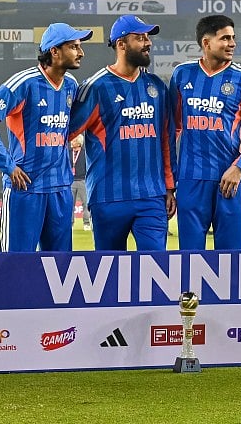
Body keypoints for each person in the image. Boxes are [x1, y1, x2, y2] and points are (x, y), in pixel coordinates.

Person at [0, 22, 91, 252]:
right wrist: (8, 166)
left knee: (59, 270)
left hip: (60, 189)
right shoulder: (24, 83)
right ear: (54, 51)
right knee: (14, 265)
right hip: (26, 188)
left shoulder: (71, 85)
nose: (81, 52)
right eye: (74, 47)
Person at [68, 15, 174, 251]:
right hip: (108, 197)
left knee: (157, 268)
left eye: (147, 38)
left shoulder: (157, 86)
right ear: (121, 44)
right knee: (110, 273)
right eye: (140, 38)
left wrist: (169, 186)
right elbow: (63, 133)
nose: (148, 43)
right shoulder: (95, 87)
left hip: (152, 196)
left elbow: (166, 140)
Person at [169, 15, 241, 250]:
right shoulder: (182, 75)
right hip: (191, 180)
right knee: (190, 259)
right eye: (225, 38)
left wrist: (239, 167)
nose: (232, 43)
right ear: (206, 42)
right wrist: (171, 180)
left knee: (232, 260)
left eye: (233, 38)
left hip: (230, 180)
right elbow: (171, 129)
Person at [70, 136, 91, 231]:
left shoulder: (84, 153)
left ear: (79, 142)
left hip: (82, 180)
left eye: (74, 140)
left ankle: (86, 223)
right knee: (70, 204)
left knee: (85, 203)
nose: (72, 142)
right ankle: (70, 224)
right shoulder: (68, 152)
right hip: (71, 181)